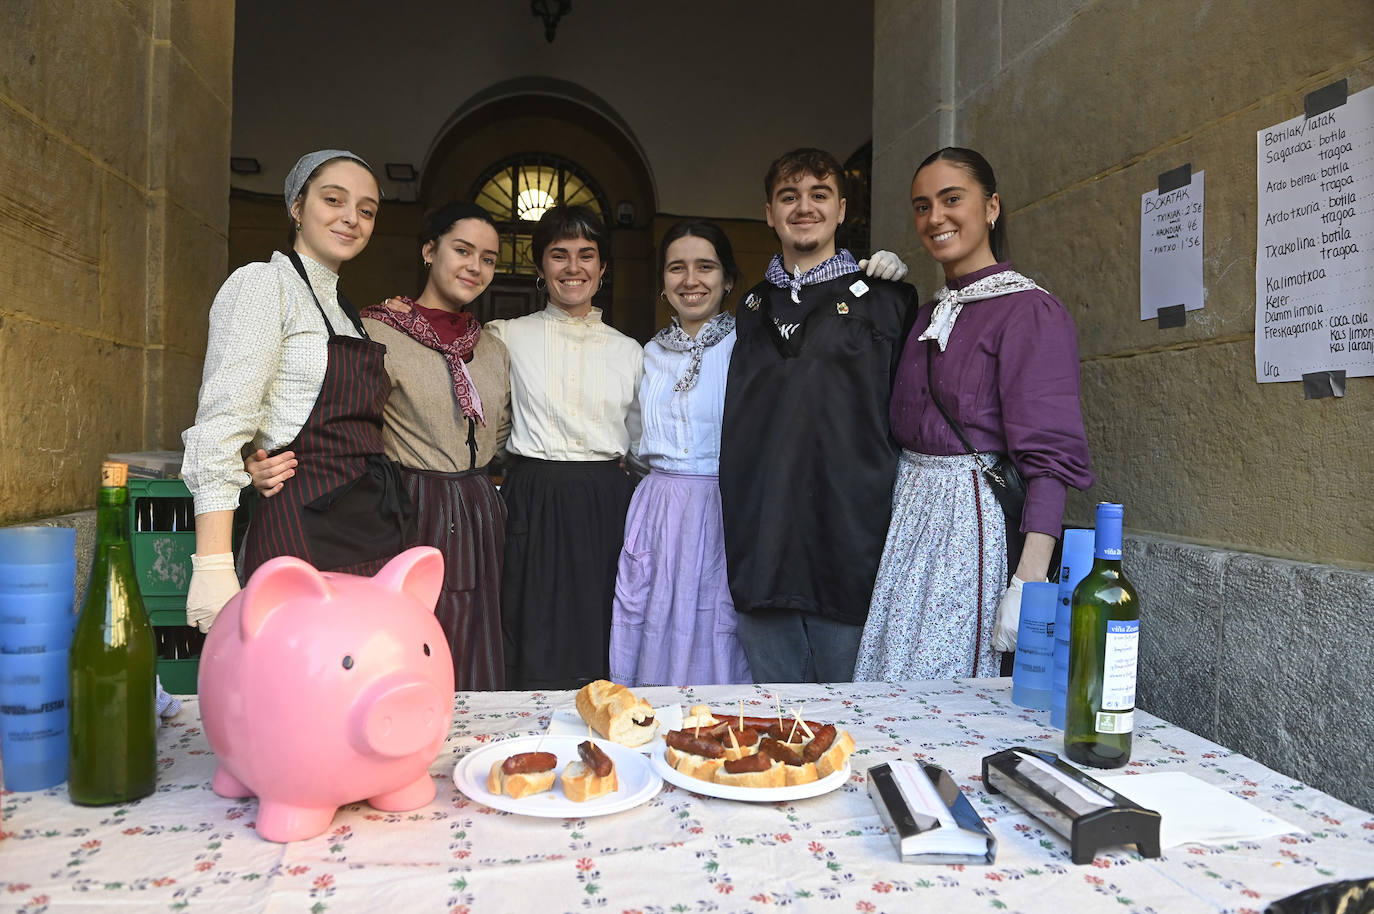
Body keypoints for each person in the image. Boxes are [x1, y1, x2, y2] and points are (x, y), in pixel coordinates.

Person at [246, 203, 513, 689]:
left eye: (489, 259)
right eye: (462, 250)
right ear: (429, 251)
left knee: (478, 628)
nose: (475, 267)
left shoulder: (492, 346)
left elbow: (498, 429)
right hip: (410, 504)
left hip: (478, 506)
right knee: (413, 629)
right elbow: (329, 410)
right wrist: (254, 458)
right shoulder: (377, 330)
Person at [854, 147, 1093, 681]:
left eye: (951, 199)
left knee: (948, 687)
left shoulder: (1030, 311)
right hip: (910, 521)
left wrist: (1029, 578)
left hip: (971, 528)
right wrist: (880, 295)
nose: (935, 217)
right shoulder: (924, 315)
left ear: (991, 207)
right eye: (921, 206)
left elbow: (1049, 458)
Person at [182, 149, 409, 633]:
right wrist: (214, 564)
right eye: (334, 199)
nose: (351, 218)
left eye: (366, 210)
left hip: (369, 525)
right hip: (299, 527)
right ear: (297, 206)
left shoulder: (350, 314)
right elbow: (221, 426)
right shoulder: (264, 285)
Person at [719, 148, 920, 684]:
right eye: (789, 196)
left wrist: (889, 282)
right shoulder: (751, 307)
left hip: (848, 541)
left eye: (818, 195)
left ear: (841, 208)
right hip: (762, 541)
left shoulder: (887, 300)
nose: (804, 207)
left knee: (848, 726)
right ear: (768, 213)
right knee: (776, 725)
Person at [487, 205, 643, 690]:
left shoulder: (630, 351)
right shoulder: (506, 336)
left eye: (586, 255)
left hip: (604, 499)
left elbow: (640, 443)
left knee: (598, 615)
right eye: (559, 255)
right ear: (540, 267)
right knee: (528, 614)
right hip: (532, 494)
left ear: (602, 269)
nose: (573, 268)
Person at [608, 220, 751, 687]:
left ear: (727, 279)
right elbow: (627, 433)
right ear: (663, 283)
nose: (690, 280)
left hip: (724, 505)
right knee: (651, 615)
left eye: (705, 267)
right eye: (677, 268)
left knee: (715, 619)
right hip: (657, 507)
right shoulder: (645, 354)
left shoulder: (750, 348)